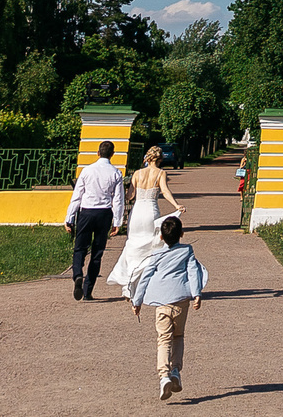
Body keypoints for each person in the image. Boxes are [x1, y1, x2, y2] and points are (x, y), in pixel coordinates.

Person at [127, 213, 208, 401]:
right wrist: (197, 294)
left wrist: (136, 301)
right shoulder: (187, 251)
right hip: (181, 300)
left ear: (161, 237)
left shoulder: (156, 255)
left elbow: (145, 277)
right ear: (182, 234)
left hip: (161, 302)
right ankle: (175, 371)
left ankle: (163, 376)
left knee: (163, 339)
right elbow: (193, 272)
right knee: (178, 335)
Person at [105, 142, 183, 293]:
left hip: (137, 212)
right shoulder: (160, 173)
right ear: (159, 159)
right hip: (150, 211)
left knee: (133, 245)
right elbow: (165, 192)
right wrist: (176, 205)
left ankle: (129, 284)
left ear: (148, 157)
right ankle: (144, 284)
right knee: (150, 247)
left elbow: (129, 196)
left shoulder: (137, 173)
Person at [65, 138, 128, 300]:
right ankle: (88, 291)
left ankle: (77, 273)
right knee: (97, 253)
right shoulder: (116, 173)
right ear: (112, 154)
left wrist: (69, 218)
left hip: (86, 212)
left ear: (98, 153)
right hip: (104, 214)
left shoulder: (87, 171)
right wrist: (117, 222)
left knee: (80, 248)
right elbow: (118, 200)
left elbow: (77, 196)